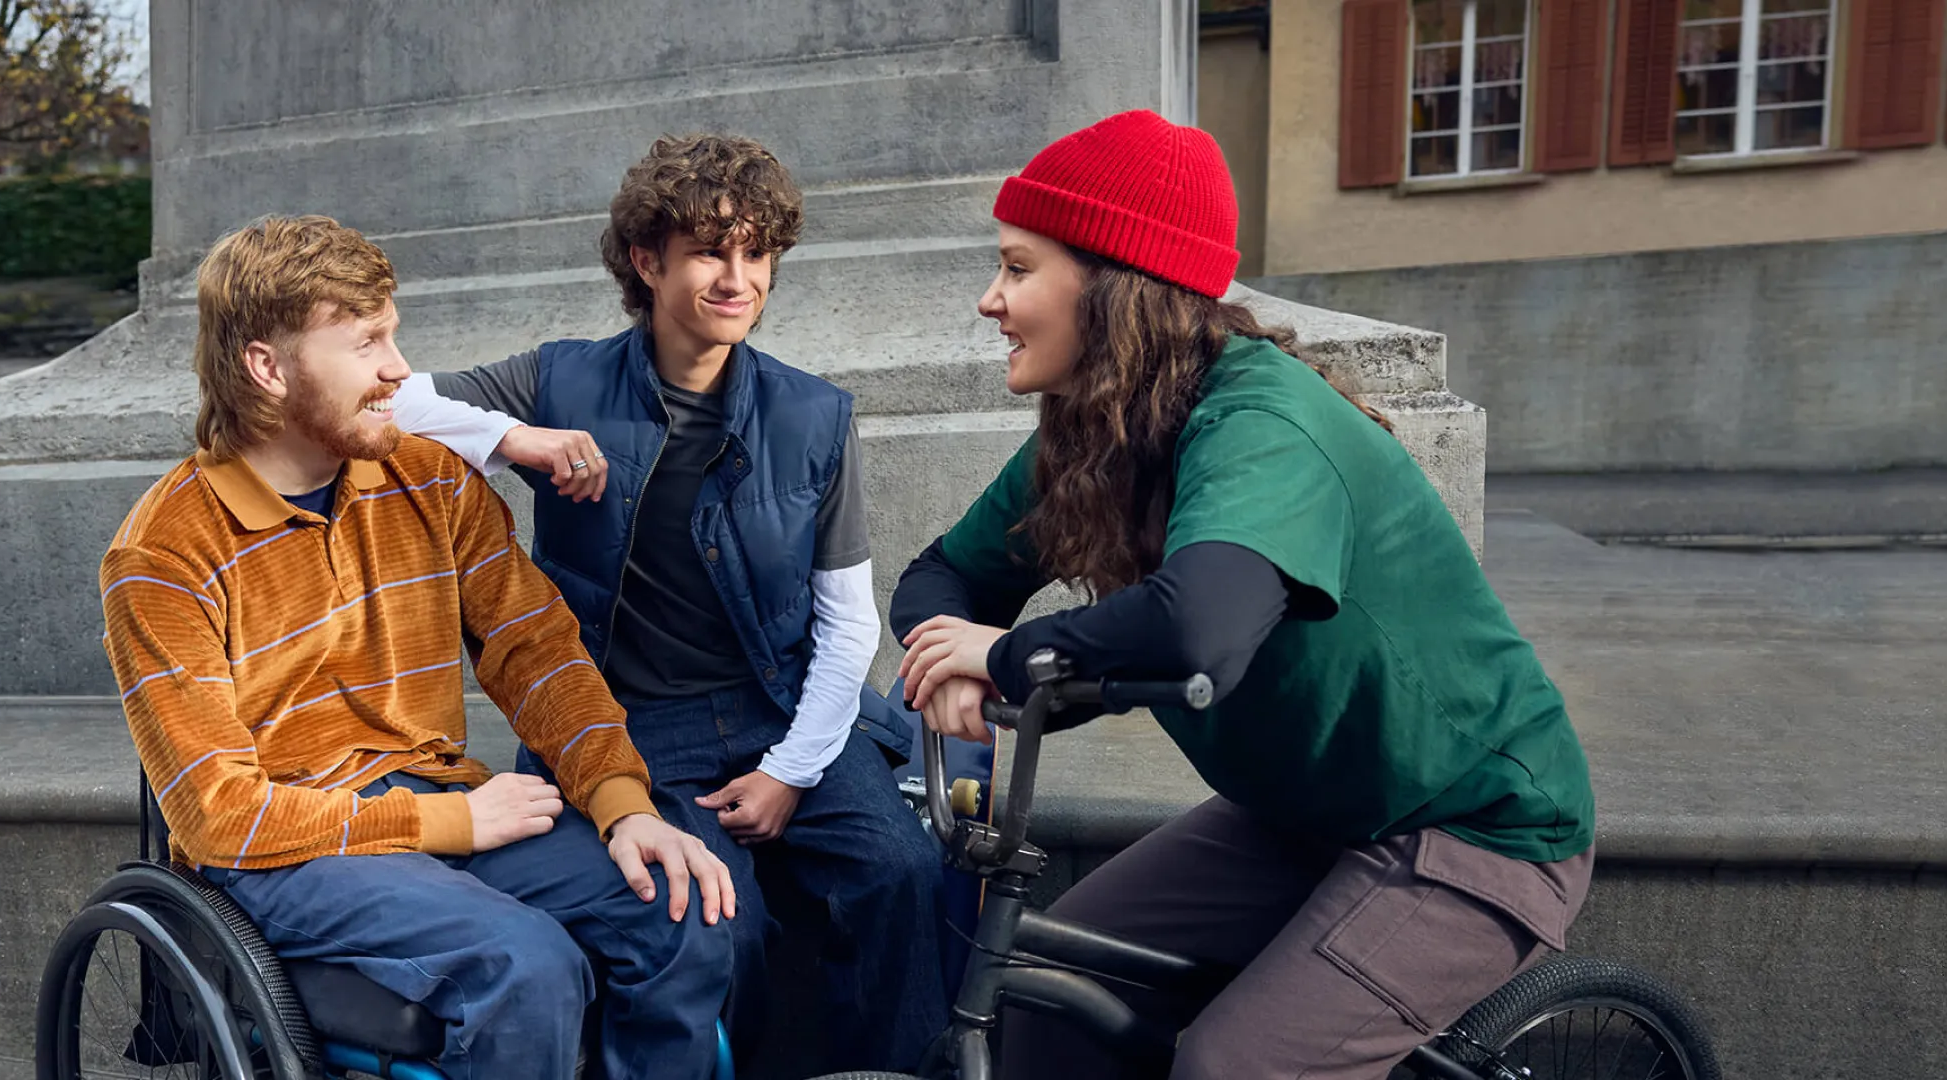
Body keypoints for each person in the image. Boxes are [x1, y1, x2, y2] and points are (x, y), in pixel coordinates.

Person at [889, 110, 1598, 1080]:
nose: (989, 300)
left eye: (1017, 268)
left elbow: (1200, 625)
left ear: (1113, 288)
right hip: (1301, 814)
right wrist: (950, 652)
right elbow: (949, 572)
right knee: (1044, 983)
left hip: (1474, 828)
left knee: (1233, 1067)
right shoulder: (1100, 433)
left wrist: (1001, 656)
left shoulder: (1262, 424)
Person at [98, 214, 737, 1080]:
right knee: (526, 966)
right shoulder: (165, 550)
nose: (399, 369)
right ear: (266, 367)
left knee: (679, 914)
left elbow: (538, 653)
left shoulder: (429, 479)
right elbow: (219, 815)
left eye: (392, 336)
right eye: (366, 344)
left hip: (433, 801)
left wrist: (623, 804)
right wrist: (447, 821)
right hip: (289, 847)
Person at [390, 133, 947, 1070]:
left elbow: (848, 622)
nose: (739, 278)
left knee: (904, 871)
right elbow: (387, 402)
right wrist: (517, 439)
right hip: (628, 725)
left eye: (756, 252)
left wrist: (791, 772)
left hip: (784, 710)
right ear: (648, 262)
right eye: (710, 251)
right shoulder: (562, 378)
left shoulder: (816, 415)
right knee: (724, 913)